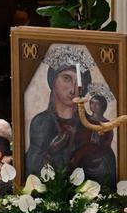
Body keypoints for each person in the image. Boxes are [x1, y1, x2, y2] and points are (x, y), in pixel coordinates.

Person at [25, 46, 116, 185]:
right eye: (66, 78)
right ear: (53, 81)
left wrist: (96, 159)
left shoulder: (92, 125)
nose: (73, 89)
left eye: (78, 82)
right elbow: (31, 170)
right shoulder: (41, 122)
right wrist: (50, 153)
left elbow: (108, 167)